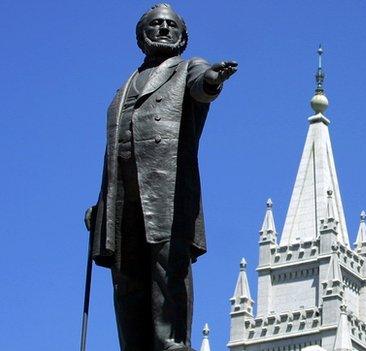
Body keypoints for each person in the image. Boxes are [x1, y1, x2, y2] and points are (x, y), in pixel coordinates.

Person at [84, 4, 237, 350]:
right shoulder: (122, 90)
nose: (164, 29)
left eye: (171, 25)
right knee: (127, 281)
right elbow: (113, 154)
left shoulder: (187, 69)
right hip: (123, 199)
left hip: (166, 192)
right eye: (155, 24)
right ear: (142, 36)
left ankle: (173, 343)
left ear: (182, 37)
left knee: (168, 272)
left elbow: (203, 85)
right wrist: (101, 206)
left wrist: (214, 79)